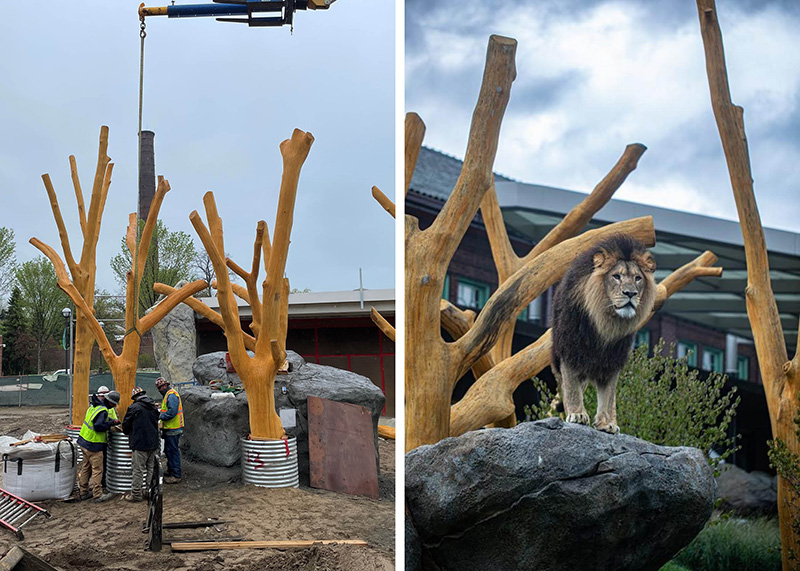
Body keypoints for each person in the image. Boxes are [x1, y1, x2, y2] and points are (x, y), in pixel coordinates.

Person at [77, 390, 121, 503]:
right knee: (97, 470)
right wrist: (111, 424)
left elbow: (97, 419)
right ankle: (97, 495)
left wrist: (112, 421)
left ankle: (83, 491)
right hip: (94, 444)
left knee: (85, 467)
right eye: (115, 404)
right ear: (111, 402)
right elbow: (98, 426)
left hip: (84, 441)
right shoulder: (103, 410)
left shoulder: (95, 406)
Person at [121, 387, 160, 502]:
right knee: (150, 468)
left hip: (139, 444)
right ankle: (149, 491)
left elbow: (126, 425)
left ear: (135, 398)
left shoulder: (134, 408)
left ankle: (136, 495)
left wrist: (128, 432)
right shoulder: (153, 407)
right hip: (153, 443)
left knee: (138, 470)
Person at [156, 378, 184, 484]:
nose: (159, 390)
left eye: (159, 388)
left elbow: (172, 412)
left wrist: (161, 416)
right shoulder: (168, 395)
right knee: (169, 451)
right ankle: (171, 470)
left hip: (174, 428)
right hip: (170, 428)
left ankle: (176, 475)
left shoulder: (171, 395)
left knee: (173, 451)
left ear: (164, 386)